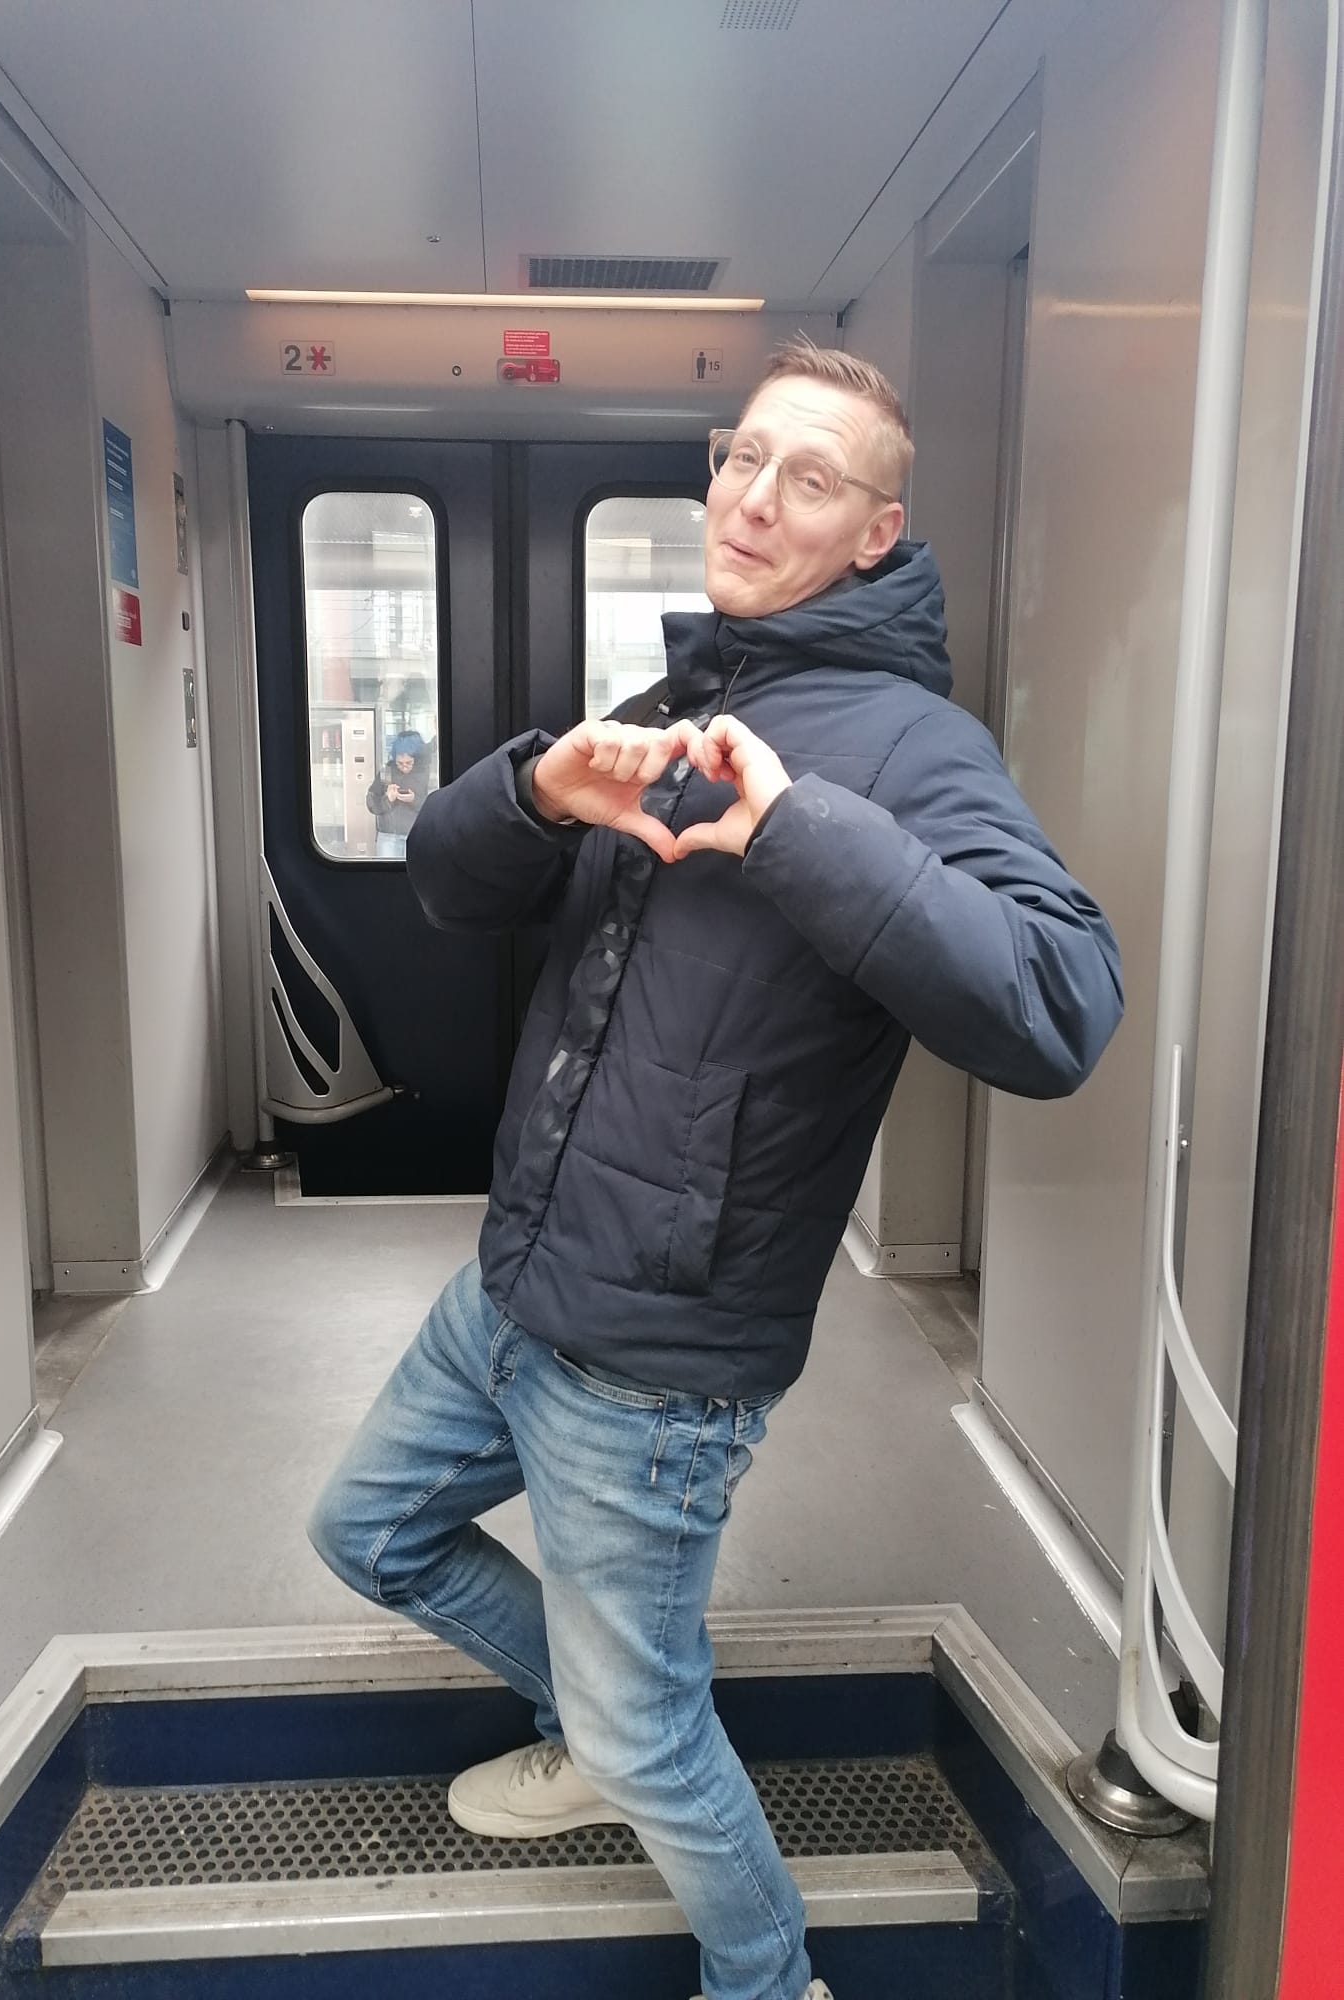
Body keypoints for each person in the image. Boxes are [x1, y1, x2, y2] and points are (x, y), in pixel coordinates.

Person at [308, 339, 1123, 2000]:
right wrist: (535, 791)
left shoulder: (913, 749)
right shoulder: (672, 703)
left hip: (661, 1363)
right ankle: (587, 1731)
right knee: (369, 1534)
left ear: (875, 534)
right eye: (742, 458)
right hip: (517, 1284)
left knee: (652, 1722)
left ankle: (767, 1977)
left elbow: (1059, 1005)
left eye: (807, 478)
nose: (752, 499)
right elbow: (450, 886)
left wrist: (799, 827)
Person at [366, 728, 428, 857]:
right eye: (399, 763)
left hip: (415, 834)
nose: (404, 767)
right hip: (388, 835)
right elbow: (372, 804)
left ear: (416, 759)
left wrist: (414, 800)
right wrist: (388, 800)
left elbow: (436, 804)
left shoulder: (426, 773)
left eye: (408, 763)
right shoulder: (387, 772)